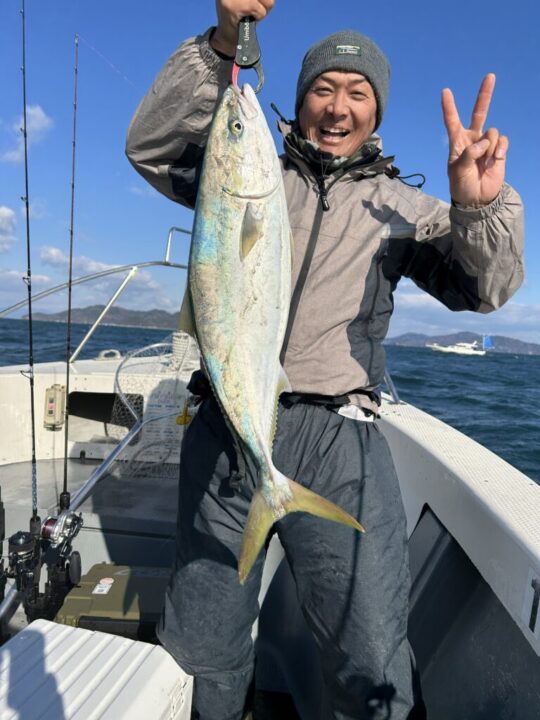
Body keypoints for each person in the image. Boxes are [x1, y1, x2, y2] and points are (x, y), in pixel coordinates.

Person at [125, 1, 524, 718]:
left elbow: (484, 290)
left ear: (377, 112)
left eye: (357, 92)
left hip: (340, 440)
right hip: (227, 424)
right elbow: (154, 149)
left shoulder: (404, 209)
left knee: (369, 651)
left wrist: (478, 211)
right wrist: (222, 46)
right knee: (203, 640)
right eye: (323, 88)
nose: (338, 107)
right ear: (301, 97)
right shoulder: (246, 167)